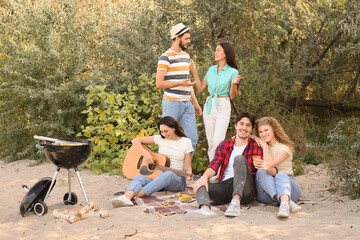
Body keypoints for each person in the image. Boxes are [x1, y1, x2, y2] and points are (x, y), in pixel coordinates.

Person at [185, 112, 263, 220]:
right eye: (241, 124)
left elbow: (263, 168)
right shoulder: (224, 145)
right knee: (200, 183)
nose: (244, 128)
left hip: (245, 189)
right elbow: (214, 165)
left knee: (239, 159)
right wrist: (204, 177)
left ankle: (235, 203)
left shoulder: (256, 146)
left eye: (248, 125)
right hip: (225, 187)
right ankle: (205, 209)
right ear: (236, 125)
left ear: (251, 129)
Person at [111, 116, 193, 207]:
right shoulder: (160, 139)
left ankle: (135, 196)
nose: (164, 134)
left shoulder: (186, 142)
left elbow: (187, 167)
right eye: (161, 131)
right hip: (158, 178)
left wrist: (188, 173)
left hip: (177, 181)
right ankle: (126, 198)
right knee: (139, 177)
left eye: (166, 131)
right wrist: (146, 154)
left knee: (168, 174)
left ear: (174, 128)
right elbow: (135, 141)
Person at [191, 42, 243, 164]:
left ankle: (217, 170)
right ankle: (214, 173)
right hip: (209, 105)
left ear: (226, 53)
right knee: (210, 142)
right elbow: (200, 88)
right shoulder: (211, 70)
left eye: (218, 50)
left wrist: (234, 84)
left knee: (218, 142)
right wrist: (194, 71)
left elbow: (232, 95)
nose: (215, 52)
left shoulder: (233, 72)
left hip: (223, 105)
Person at [156, 23, 202, 153]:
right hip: (172, 103)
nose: (189, 41)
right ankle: (164, 170)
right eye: (186, 38)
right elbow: (159, 84)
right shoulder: (165, 57)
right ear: (177, 38)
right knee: (167, 138)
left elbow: (188, 83)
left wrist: (195, 103)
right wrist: (180, 83)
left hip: (187, 104)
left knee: (192, 139)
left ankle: (183, 171)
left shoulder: (186, 57)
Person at [253, 117, 301, 218]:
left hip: (289, 188)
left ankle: (284, 203)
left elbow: (270, 165)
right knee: (261, 172)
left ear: (274, 129)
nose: (263, 134)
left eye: (266, 130)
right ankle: (286, 201)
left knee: (280, 174)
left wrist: (265, 146)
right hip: (267, 192)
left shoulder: (284, 148)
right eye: (260, 132)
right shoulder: (258, 146)